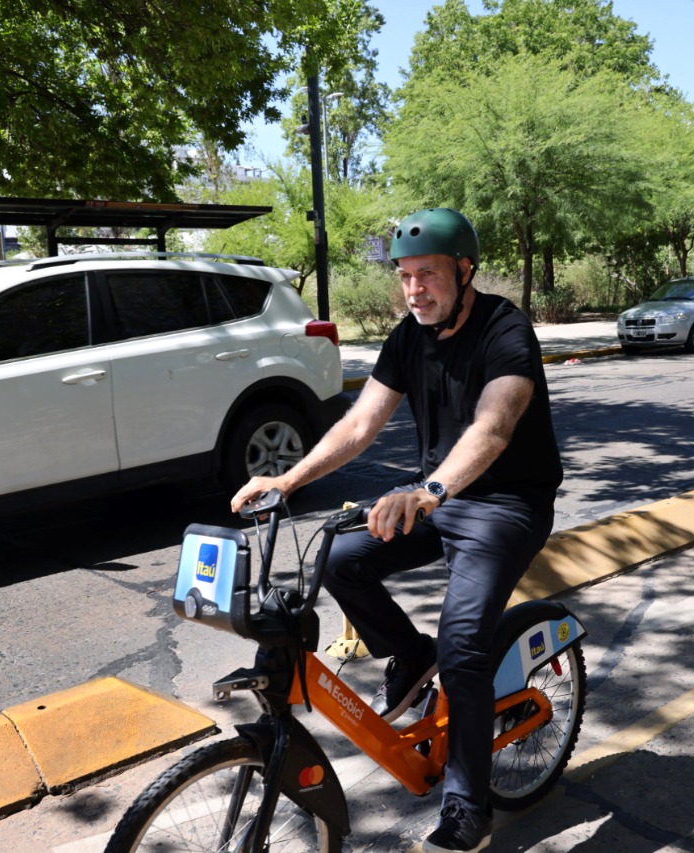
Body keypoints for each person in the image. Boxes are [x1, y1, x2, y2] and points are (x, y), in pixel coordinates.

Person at [231, 207, 562, 853]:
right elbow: (359, 426)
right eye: (405, 277)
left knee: (466, 644)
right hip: (438, 499)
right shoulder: (408, 337)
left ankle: (468, 805)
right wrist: (287, 480)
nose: (415, 291)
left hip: (505, 504)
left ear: (465, 271)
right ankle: (410, 653)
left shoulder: (506, 329)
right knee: (341, 558)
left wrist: (431, 487)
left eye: (429, 275)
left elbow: (493, 426)